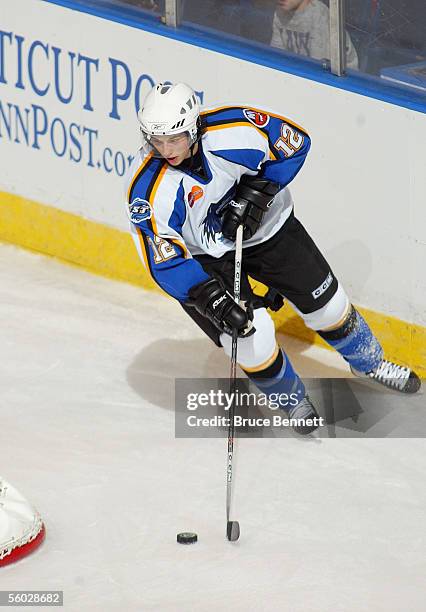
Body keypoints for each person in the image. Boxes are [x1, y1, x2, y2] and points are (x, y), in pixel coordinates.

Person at [124, 82, 420, 435]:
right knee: (250, 337)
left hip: (270, 232)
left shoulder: (233, 131)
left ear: (193, 128)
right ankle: (291, 399)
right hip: (207, 259)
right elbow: (163, 259)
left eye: (174, 138)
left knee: (330, 308)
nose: (165, 149)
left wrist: (257, 193)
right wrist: (209, 298)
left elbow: (294, 142)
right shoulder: (148, 189)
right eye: (156, 140)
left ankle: (370, 364)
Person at [271, 0, 359, 70]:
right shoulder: (280, 13)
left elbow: (320, 69)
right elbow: (276, 55)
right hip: (297, 71)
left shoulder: (320, 16)